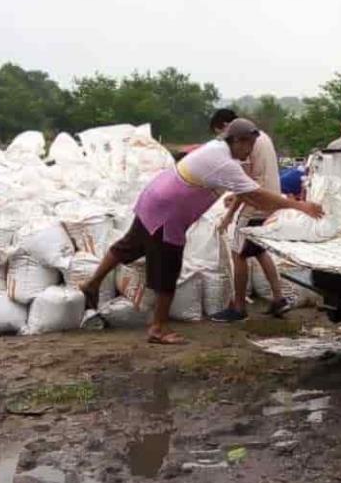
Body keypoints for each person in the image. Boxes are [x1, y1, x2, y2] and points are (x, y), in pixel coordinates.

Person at [80, 119, 324, 344]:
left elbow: (245, 191)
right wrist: (300, 205)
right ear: (236, 141)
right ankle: (158, 328)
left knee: (129, 245)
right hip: (168, 213)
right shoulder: (224, 162)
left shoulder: (216, 149)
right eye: (248, 145)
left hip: (154, 198)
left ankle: (92, 284)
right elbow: (257, 195)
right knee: (168, 268)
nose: (250, 151)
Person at [210, 111, 293, 322]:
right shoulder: (263, 137)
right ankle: (279, 298)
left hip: (254, 207)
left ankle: (238, 307)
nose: (226, 142)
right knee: (258, 251)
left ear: (229, 126)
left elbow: (245, 182)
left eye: (224, 134)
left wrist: (230, 214)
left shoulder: (246, 141)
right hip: (270, 201)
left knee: (238, 254)